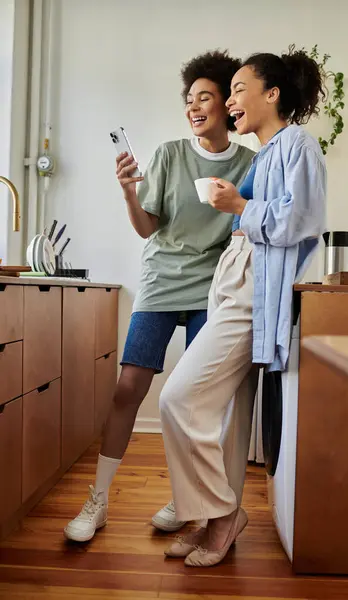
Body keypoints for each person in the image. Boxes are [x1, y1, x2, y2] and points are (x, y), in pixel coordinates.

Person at [64, 51, 255, 543]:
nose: (194, 107)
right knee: (129, 387)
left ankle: (186, 498)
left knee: (198, 401)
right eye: (189, 100)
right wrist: (129, 191)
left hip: (213, 289)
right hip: (161, 283)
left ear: (227, 105)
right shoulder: (170, 154)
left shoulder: (249, 164)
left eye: (205, 97)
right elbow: (149, 228)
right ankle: (99, 500)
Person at [160, 48, 327, 567]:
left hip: (254, 292)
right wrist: (236, 208)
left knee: (179, 399)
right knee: (225, 416)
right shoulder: (265, 153)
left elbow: (300, 219)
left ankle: (224, 515)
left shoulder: (297, 142)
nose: (230, 101)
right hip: (233, 283)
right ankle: (214, 518)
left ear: (271, 94)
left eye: (237, 89)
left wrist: (238, 207)